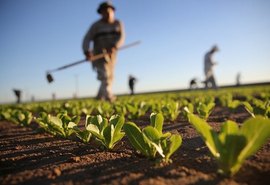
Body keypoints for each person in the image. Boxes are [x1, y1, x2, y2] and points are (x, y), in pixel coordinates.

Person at [82, 2, 125, 102]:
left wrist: (115, 46)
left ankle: (99, 97)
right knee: (104, 75)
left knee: (110, 77)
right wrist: (87, 51)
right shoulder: (95, 26)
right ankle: (109, 97)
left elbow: (121, 37)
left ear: (113, 11)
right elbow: (87, 39)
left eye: (109, 11)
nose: (107, 13)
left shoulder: (118, 23)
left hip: (112, 56)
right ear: (101, 13)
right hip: (99, 55)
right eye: (104, 11)